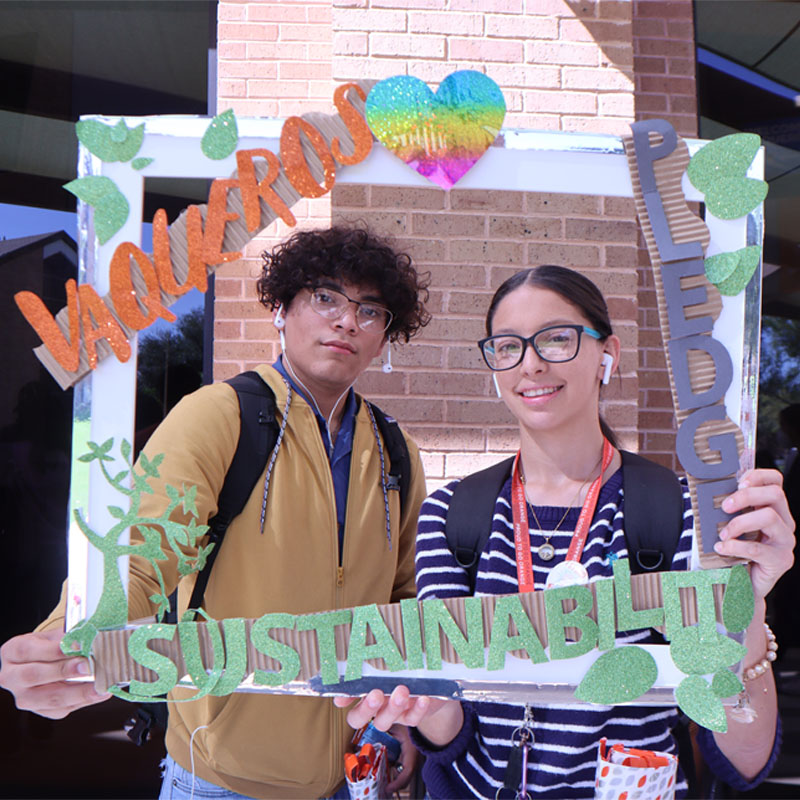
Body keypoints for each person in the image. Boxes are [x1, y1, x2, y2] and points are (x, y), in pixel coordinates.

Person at [0, 225, 431, 800]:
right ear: (281, 308)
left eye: (370, 310)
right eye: (325, 297)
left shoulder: (395, 447)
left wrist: (408, 724)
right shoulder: (218, 414)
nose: (347, 320)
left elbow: (407, 598)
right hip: (221, 781)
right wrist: (69, 639)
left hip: (353, 776)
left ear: (383, 338)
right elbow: (143, 555)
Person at [336, 265, 795, 798]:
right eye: (508, 346)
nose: (530, 364)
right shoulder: (452, 513)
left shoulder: (676, 514)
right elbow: (452, 735)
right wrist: (430, 708)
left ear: (608, 354)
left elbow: (744, 759)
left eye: (557, 338)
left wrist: (748, 610)